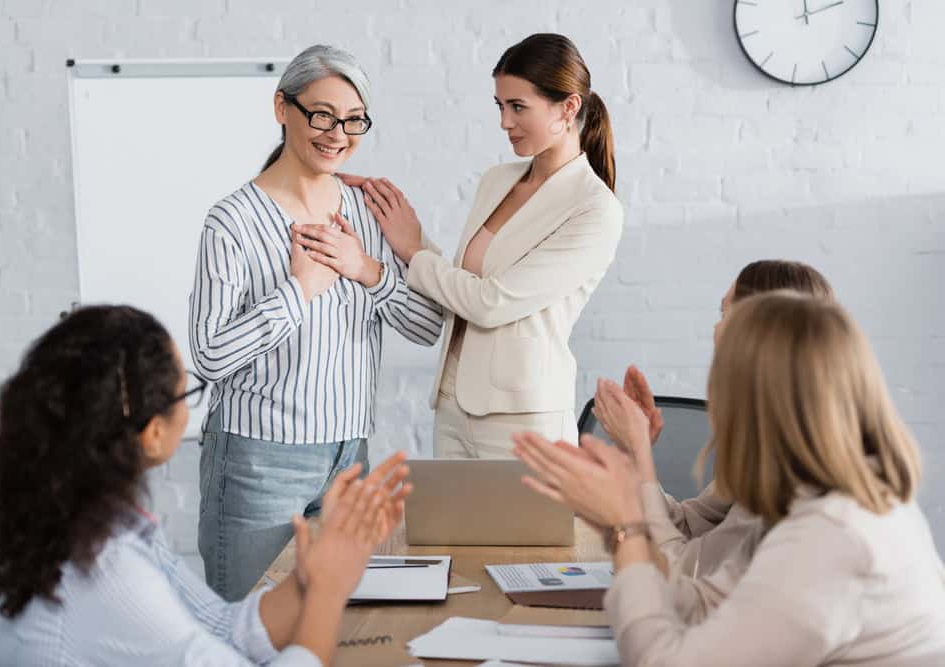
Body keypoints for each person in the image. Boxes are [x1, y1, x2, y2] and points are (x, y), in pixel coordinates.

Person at [0, 305, 413, 666]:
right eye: (187, 391)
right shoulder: (107, 571)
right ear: (152, 431)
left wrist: (307, 579)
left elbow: (220, 626)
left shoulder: (102, 526)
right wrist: (329, 591)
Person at [516, 292, 945, 665]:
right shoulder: (818, 500)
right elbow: (705, 603)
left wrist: (627, 529)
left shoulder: (833, 535)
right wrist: (619, 522)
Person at [189, 45, 443, 599]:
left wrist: (366, 270)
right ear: (283, 108)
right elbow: (208, 354)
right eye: (322, 115)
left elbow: (427, 327)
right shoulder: (232, 221)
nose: (338, 133)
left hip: (349, 458)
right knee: (248, 631)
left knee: (338, 631)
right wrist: (300, 289)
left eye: (354, 121)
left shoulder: (365, 213)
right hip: (259, 461)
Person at [335, 33, 622, 459]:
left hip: (523, 421)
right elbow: (464, 284)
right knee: (451, 530)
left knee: (521, 530)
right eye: (500, 106)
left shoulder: (594, 208)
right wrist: (404, 230)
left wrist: (413, 253)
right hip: (452, 405)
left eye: (518, 107)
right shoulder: (497, 180)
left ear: (568, 107)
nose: (505, 122)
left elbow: (492, 303)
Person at [591, 259, 835, 620]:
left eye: (725, 312)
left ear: (756, 328)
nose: (715, 328)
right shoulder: (768, 432)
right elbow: (687, 528)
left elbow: (680, 575)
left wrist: (641, 456)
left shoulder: (793, 461)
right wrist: (633, 450)